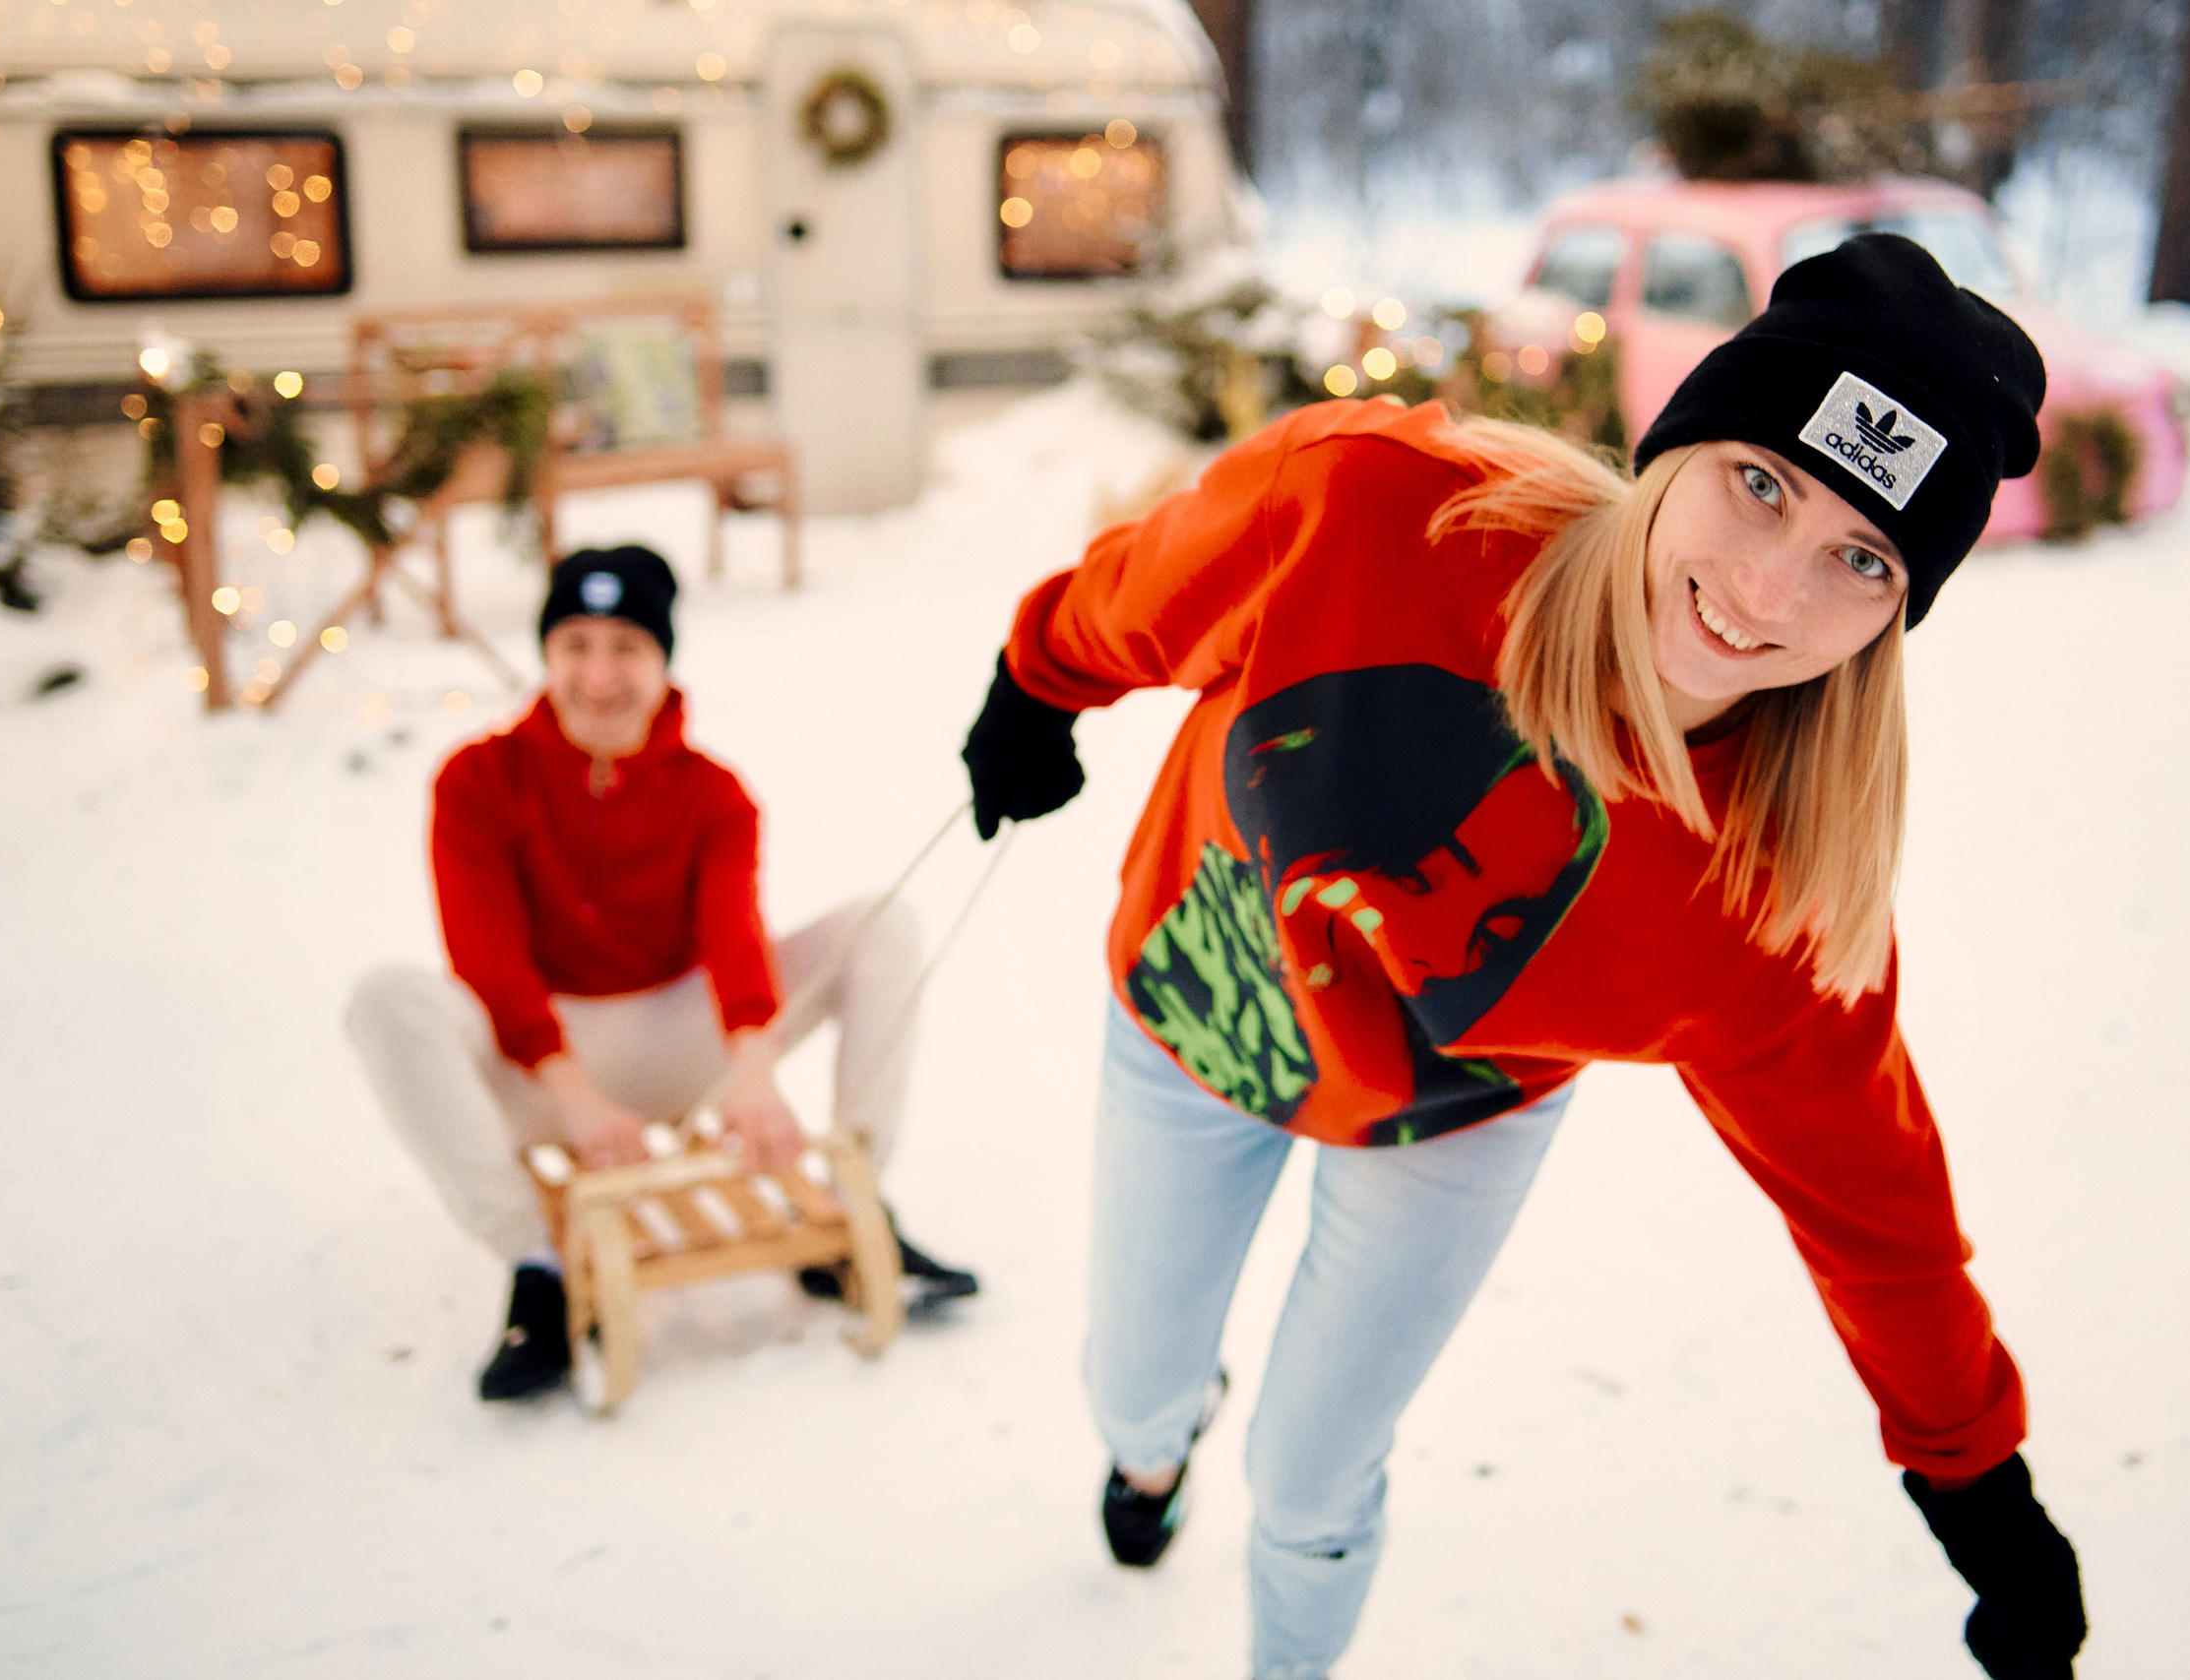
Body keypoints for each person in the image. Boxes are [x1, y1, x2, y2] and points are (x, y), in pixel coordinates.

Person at [962, 236, 2088, 1679]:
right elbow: (1156, 576)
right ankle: (1151, 1445)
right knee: (1133, 1377)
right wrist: (1038, 681)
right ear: (1676, 447)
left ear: (1894, 615)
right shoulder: (1377, 514)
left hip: (1450, 1114)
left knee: (1312, 1480)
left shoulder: (1771, 895)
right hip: (1207, 1005)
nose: (1766, 592)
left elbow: (1875, 1200)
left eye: (1860, 559)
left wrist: (1978, 1482)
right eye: (1762, 483)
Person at [348, 544, 975, 1404]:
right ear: (546, 656)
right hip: (545, 1062)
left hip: (681, 1039)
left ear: (662, 661)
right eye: (576, 645)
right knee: (387, 999)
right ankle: (536, 1265)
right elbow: (484, 956)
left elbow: (733, 933)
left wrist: (753, 1073)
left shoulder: (711, 793)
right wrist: (573, 1097)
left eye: (626, 648)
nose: (599, 674)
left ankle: (854, 1206)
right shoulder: (478, 781)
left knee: (883, 921)